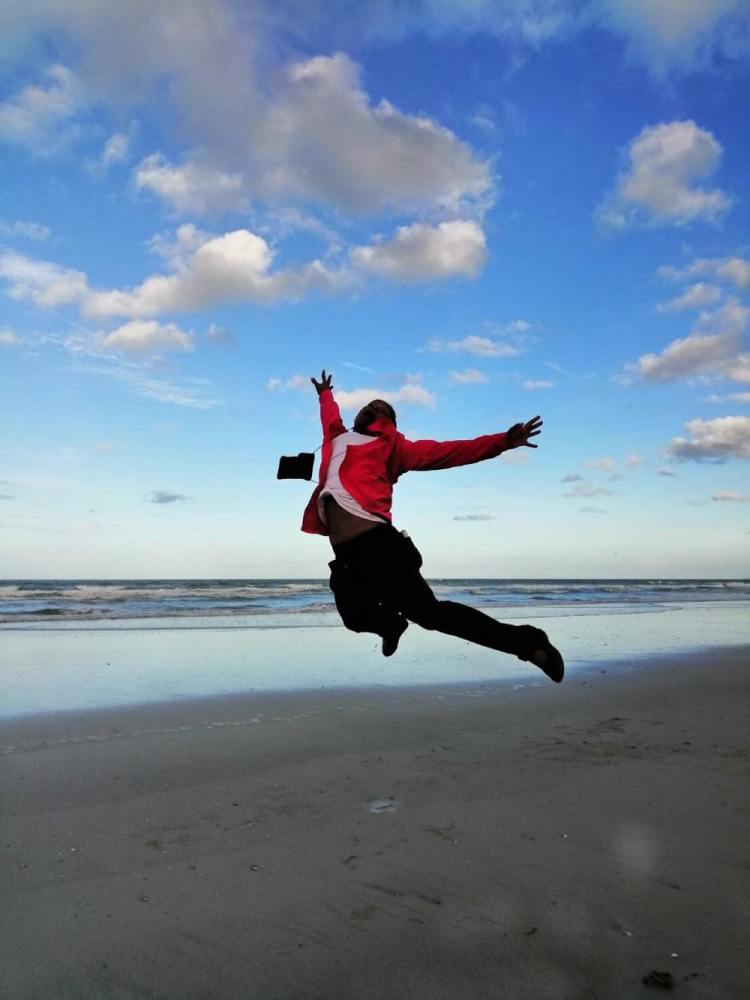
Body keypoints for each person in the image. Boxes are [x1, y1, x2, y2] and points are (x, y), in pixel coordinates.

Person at [301, 370, 564, 683]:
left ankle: (531, 644)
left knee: (432, 615)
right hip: (346, 556)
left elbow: (449, 452)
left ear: (388, 423)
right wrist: (325, 394)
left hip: (380, 547)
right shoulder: (336, 438)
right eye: (369, 405)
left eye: (381, 409)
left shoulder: (393, 446)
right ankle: (391, 626)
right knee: (354, 618)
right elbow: (330, 417)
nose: (372, 408)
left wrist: (504, 441)